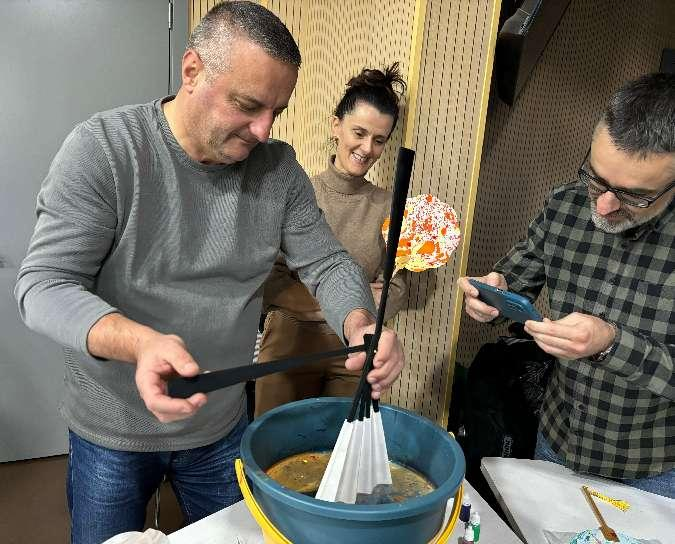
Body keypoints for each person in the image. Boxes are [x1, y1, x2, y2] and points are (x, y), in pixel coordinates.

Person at [14, 2, 405, 542]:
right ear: (192, 70)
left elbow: (328, 261)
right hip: (111, 427)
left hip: (221, 429)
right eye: (247, 105)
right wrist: (138, 342)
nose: (264, 130)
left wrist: (359, 322)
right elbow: (44, 286)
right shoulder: (105, 150)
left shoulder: (278, 170)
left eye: (277, 111)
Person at [458, 72, 674, 498]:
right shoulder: (565, 206)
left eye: (633, 196)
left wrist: (611, 344)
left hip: (655, 469)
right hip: (557, 441)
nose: (604, 206)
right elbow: (516, 276)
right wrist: (492, 294)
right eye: (596, 179)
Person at [255, 64, 409, 416]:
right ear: (335, 125)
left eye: (379, 140)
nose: (367, 148)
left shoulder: (389, 206)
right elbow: (271, 282)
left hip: (355, 349)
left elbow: (396, 289)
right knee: (275, 440)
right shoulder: (300, 192)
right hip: (289, 340)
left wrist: (313, 297)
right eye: (359, 132)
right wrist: (353, 297)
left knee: (342, 443)